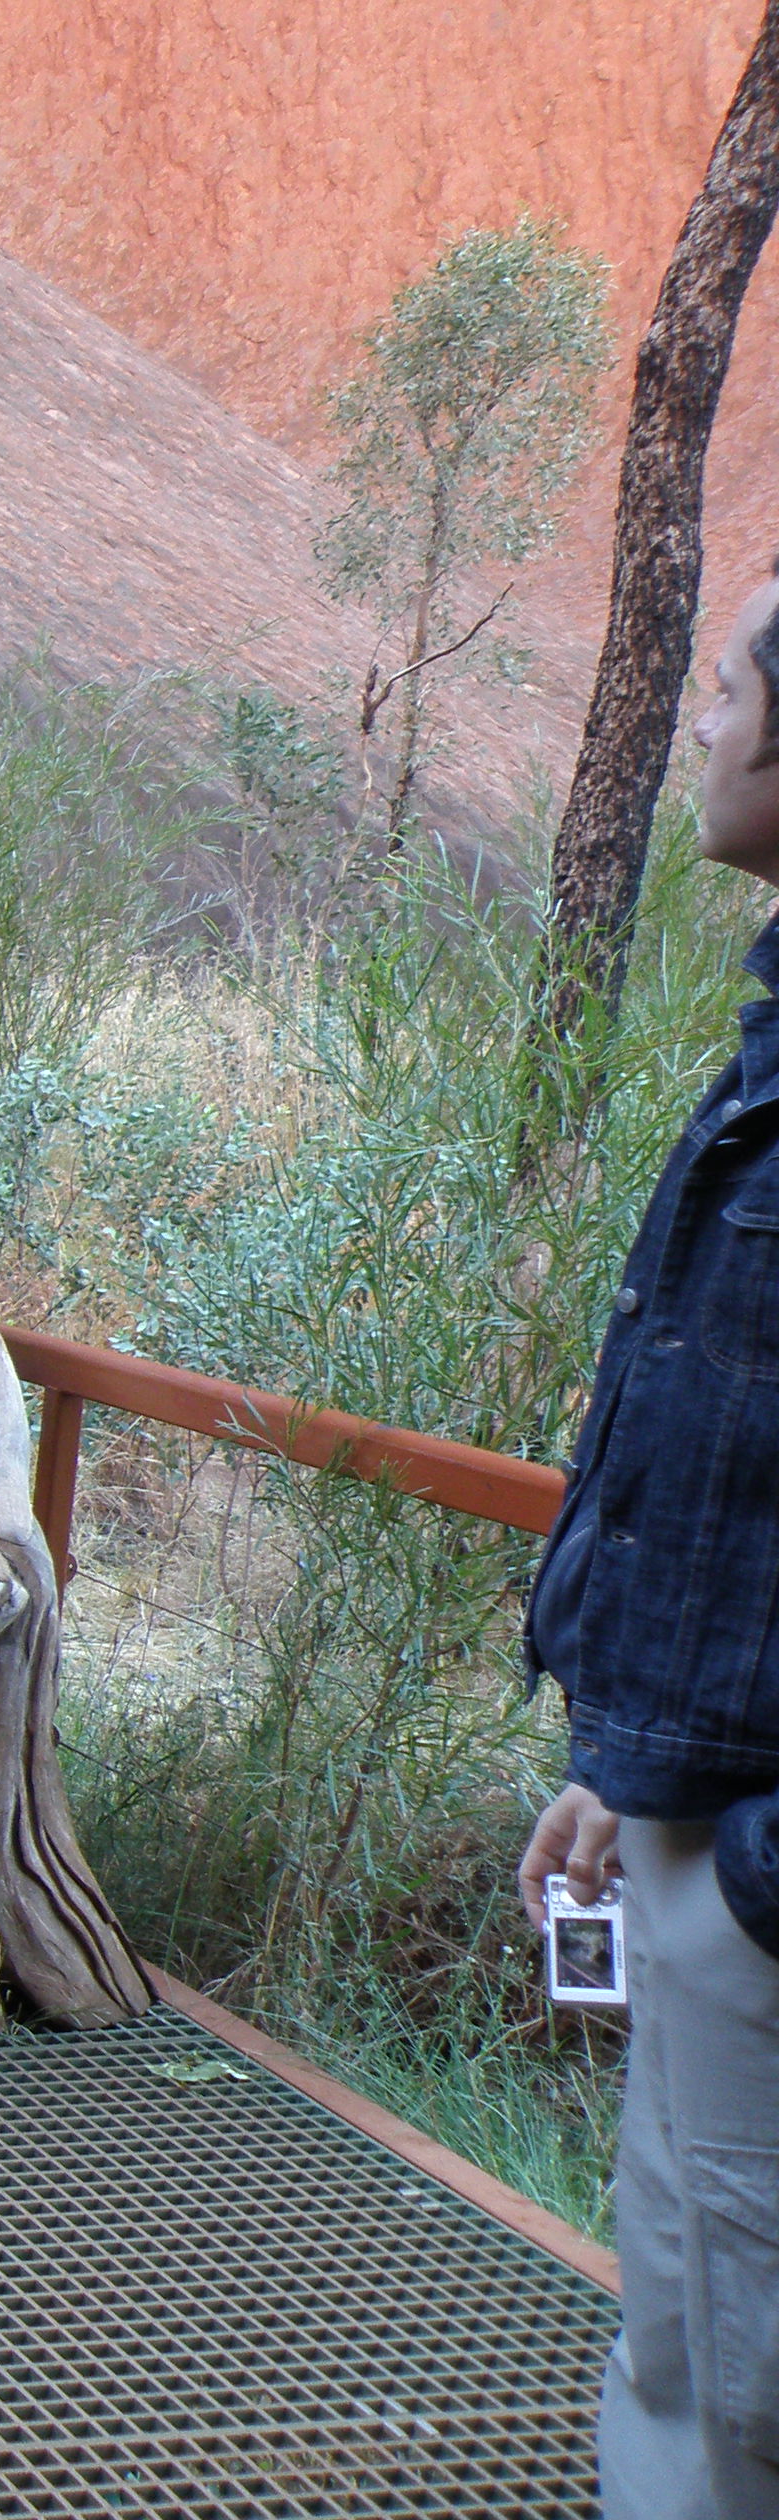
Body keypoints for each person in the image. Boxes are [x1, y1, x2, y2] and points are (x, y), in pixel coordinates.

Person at [518, 555, 779, 2520]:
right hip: (705, 1829)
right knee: (683, 2337)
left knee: (756, 2375)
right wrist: (635, 1770)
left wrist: (750, 1869)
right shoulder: (768, 1059)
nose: (702, 717)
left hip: (762, 1880)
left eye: (731, 683)